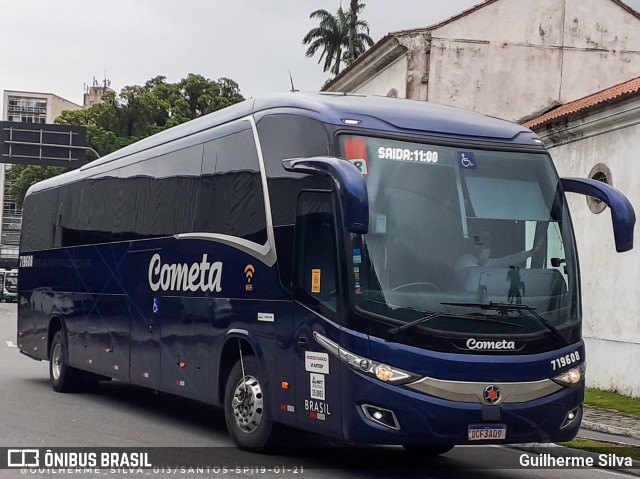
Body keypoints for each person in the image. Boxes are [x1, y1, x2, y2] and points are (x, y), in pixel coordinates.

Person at [454, 230, 541, 273]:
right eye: (484, 246)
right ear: (474, 247)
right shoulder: (464, 261)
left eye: (489, 247)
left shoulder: (487, 262)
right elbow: (475, 273)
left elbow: (508, 260)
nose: (486, 250)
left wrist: (530, 253)